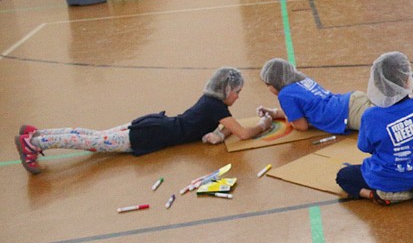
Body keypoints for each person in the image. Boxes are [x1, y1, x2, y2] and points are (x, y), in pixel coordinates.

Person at [14, 67, 265, 174]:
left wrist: (221, 134)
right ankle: (35, 143)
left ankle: (39, 134)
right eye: (237, 92)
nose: (238, 96)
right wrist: (264, 124)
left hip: (154, 125)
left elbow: (229, 127)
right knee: (92, 143)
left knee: (92, 135)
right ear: (225, 90)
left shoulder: (213, 103)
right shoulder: (215, 106)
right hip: (149, 134)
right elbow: (242, 132)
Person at [256, 50, 413, 133]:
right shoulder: (299, 81)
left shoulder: (285, 94)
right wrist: (275, 113)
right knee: (394, 101)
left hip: (348, 115)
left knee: (400, 115)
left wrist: (286, 117)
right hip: (350, 101)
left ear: (274, 83)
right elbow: (306, 109)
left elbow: (300, 125)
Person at [334, 52, 413, 206]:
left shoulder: (370, 115)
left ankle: (375, 195)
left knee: (343, 176)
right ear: (406, 81)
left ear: (377, 84)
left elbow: (365, 147)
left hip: (384, 179)